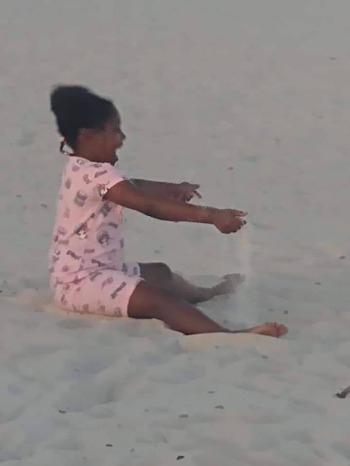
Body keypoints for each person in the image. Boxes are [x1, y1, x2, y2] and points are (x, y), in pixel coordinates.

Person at [49, 84, 287, 337]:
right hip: (81, 283)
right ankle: (226, 335)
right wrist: (210, 215)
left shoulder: (80, 166)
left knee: (161, 274)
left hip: (100, 270)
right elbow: (146, 204)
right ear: (87, 136)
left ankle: (208, 294)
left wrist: (171, 188)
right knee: (159, 300)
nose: (122, 138)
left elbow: (133, 186)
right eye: (115, 130)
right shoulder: (97, 174)